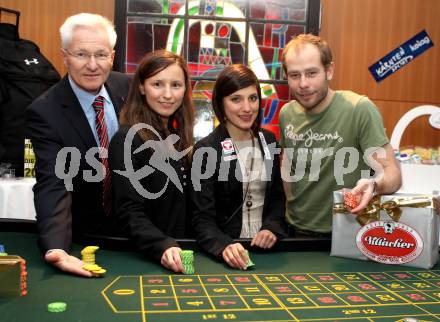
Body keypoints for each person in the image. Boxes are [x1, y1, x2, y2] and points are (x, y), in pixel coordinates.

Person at [26, 13, 131, 277]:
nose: (92, 65)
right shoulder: (45, 111)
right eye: (81, 54)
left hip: (142, 232)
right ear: (64, 56)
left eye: (101, 54)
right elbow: (54, 181)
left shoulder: (131, 88)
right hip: (89, 238)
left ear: (112, 55)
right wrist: (56, 248)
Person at [279, 33, 402, 237]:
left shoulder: (359, 109)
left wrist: (374, 184)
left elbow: (393, 174)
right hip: (294, 230)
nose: (303, 84)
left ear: (329, 71)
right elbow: (288, 168)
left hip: (347, 231)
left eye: (311, 73)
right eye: (294, 75)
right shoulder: (286, 113)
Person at [191, 64, 287, 270]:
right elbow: (202, 217)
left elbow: (278, 199)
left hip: (266, 251)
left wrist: (271, 228)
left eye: (252, 98)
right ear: (220, 103)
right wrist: (223, 245)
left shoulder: (268, 140)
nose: (247, 108)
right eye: (236, 99)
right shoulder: (206, 148)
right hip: (225, 252)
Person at [108, 50, 194, 273]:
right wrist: (162, 245)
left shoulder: (178, 136)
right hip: (148, 259)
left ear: (185, 89)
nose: (168, 94)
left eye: (176, 85)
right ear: (141, 87)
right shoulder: (127, 139)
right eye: (157, 84)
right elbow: (129, 212)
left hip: (181, 252)